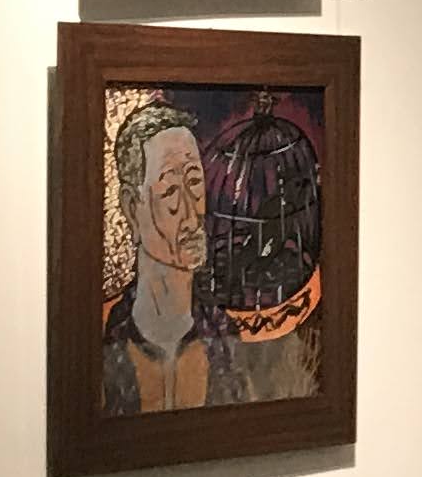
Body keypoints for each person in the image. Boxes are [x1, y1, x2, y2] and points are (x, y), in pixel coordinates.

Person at [101, 98, 285, 414]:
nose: (190, 214)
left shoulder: (223, 337)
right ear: (132, 208)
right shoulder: (105, 337)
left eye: (195, 182)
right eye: (170, 191)